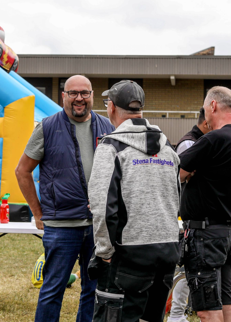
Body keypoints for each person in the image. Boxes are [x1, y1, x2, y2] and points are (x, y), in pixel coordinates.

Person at [15, 75, 114, 322]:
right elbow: (22, 171)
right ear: (63, 96)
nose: (79, 98)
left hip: (97, 226)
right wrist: (38, 213)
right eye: (73, 93)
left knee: (94, 290)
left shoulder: (108, 128)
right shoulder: (47, 127)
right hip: (61, 226)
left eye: (84, 93)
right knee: (52, 290)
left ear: (92, 95)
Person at [88, 80, 181, 322]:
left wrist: (104, 251)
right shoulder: (168, 148)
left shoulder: (111, 147)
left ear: (111, 108)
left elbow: (101, 206)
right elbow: (175, 197)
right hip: (167, 250)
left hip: (128, 253)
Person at [178, 86, 231, 322]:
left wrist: (189, 172)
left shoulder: (213, 139)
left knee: (207, 310)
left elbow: (176, 172)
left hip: (205, 236)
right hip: (227, 234)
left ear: (213, 106)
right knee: (226, 302)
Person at [169, 108, 211, 322]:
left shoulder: (201, 141)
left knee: (188, 268)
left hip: (193, 214)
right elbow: (180, 176)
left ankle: (178, 313)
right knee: (187, 268)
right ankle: (176, 313)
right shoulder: (190, 144)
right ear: (206, 123)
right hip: (189, 215)